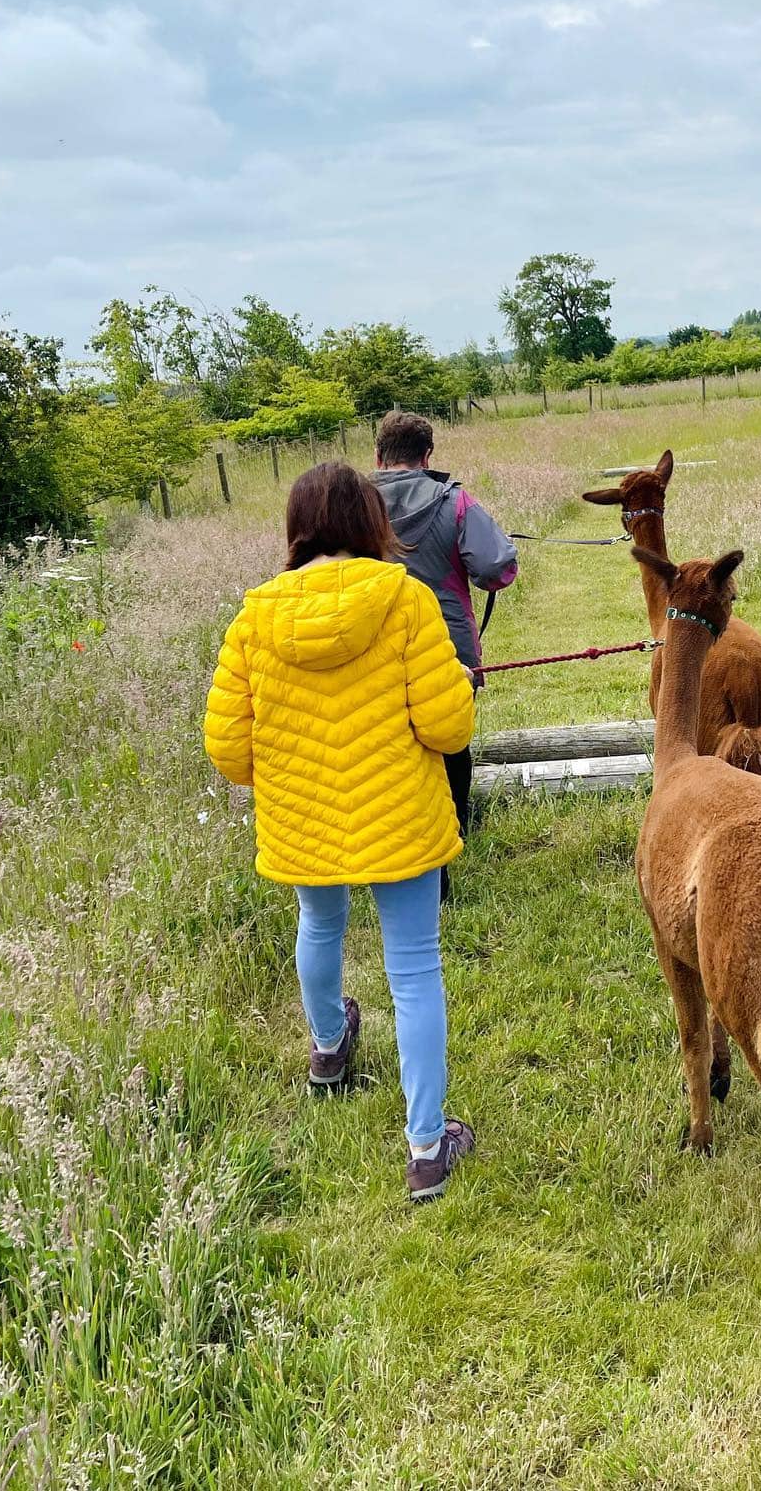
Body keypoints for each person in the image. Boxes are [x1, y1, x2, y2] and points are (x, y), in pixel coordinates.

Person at [204, 460, 478, 1202]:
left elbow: (229, 750)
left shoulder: (255, 616)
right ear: (370, 522)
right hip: (400, 814)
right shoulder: (406, 600)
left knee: (318, 925)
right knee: (414, 968)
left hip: (303, 818)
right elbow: (449, 727)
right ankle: (426, 1148)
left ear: (297, 528)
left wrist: (292, 769)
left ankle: (329, 1047)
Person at [371, 411, 518, 891]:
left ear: (378, 455)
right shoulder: (455, 501)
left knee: (390, 749)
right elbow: (495, 568)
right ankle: (455, 826)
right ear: (427, 456)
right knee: (450, 739)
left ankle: (399, 846)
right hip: (447, 646)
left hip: (372, 650)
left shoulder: (353, 506)